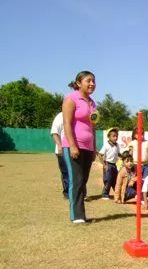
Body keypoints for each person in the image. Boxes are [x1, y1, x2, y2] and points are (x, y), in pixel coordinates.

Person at [61, 71, 97, 224]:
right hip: (73, 146)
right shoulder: (71, 99)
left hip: (88, 148)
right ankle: (77, 216)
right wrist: (73, 145)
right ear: (78, 83)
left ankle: (81, 214)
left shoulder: (92, 102)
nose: (92, 84)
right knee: (76, 180)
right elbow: (67, 123)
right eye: (88, 81)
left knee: (83, 181)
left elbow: (93, 126)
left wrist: (94, 147)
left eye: (94, 81)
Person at [50, 112, 69, 199]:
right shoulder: (60, 116)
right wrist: (59, 145)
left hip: (74, 149)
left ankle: (80, 193)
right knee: (66, 172)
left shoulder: (76, 114)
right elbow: (54, 132)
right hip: (62, 151)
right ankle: (67, 193)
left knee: (77, 173)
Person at [98, 127, 120, 200]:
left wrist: (124, 156)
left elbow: (118, 154)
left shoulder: (117, 145)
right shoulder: (106, 145)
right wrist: (104, 165)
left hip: (114, 165)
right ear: (109, 137)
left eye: (116, 136)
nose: (115, 138)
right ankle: (105, 194)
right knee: (108, 179)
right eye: (113, 136)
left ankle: (117, 193)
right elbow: (100, 155)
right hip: (108, 164)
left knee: (115, 179)